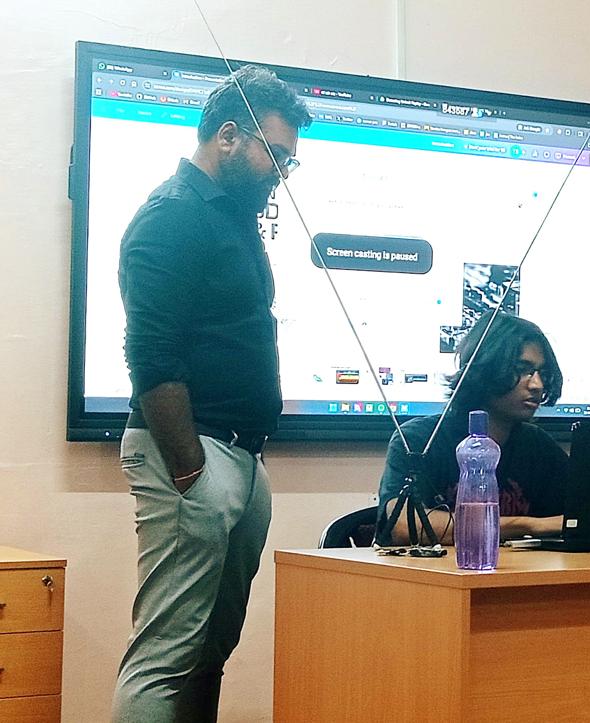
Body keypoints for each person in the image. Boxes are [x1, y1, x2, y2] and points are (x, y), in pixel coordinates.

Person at [113, 65, 311, 722]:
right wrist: (189, 471)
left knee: (208, 653)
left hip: (241, 456)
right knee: (165, 657)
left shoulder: (230, 217)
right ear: (228, 136)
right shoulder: (172, 215)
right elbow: (151, 355)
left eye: (288, 161)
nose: (281, 172)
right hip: (192, 454)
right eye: (274, 154)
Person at [377, 312, 569, 544]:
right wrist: (528, 525)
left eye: (542, 373)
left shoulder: (538, 446)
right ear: (486, 370)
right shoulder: (419, 439)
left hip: (514, 566)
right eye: (522, 369)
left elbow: (585, 513)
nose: (537, 385)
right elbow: (403, 525)